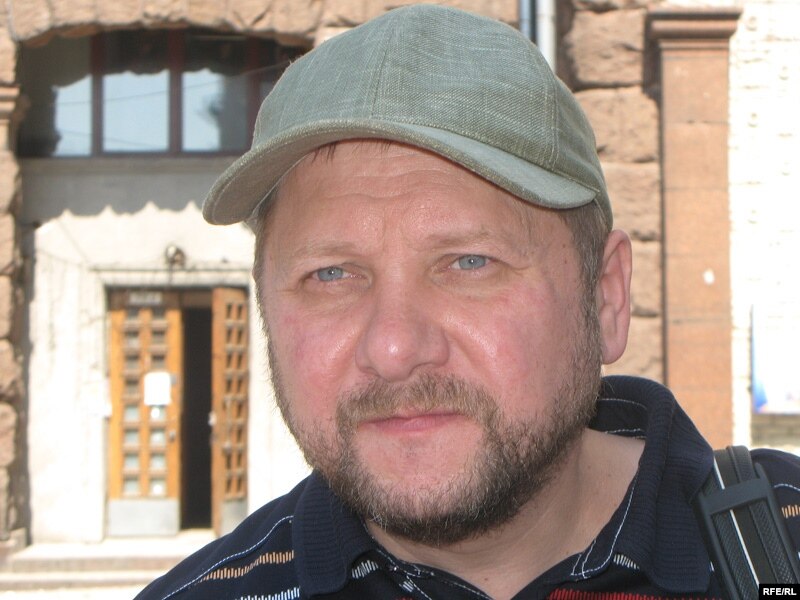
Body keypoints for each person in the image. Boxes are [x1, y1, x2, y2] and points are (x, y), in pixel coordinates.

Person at [136, 4, 800, 599]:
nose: (393, 348)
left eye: (468, 263)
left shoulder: (784, 549)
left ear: (605, 297)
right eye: (331, 274)